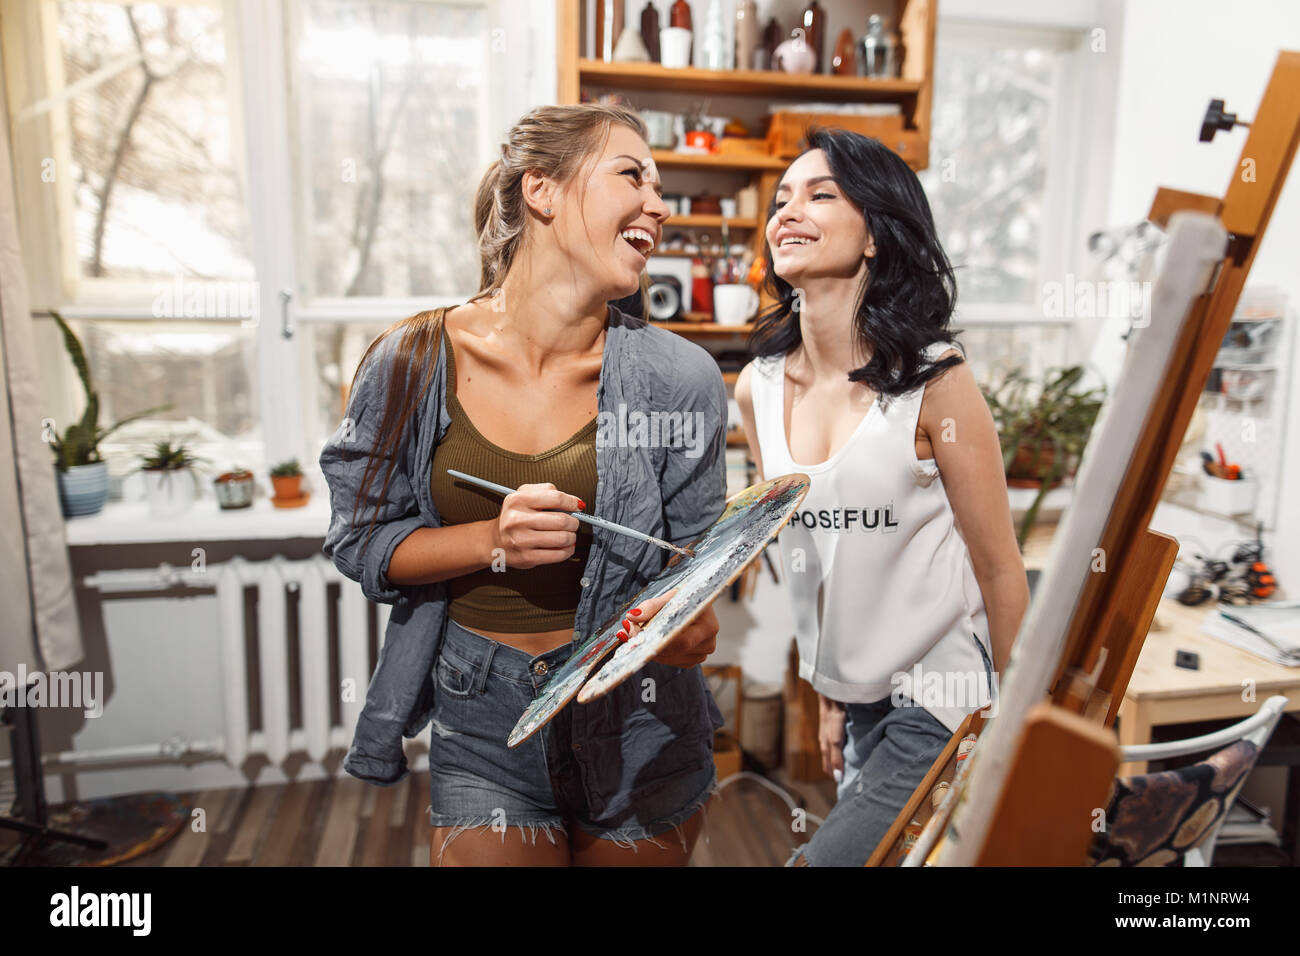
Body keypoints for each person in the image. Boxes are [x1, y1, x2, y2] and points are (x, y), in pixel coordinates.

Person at [318, 104, 729, 866]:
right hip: (484, 718)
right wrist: (490, 541)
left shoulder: (681, 378)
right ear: (541, 190)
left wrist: (694, 622)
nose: (661, 205)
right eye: (633, 175)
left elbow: (700, 560)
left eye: (663, 187)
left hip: (639, 723)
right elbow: (361, 540)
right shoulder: (412, 361)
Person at [734, 128, 1030, 866]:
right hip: (859, 699)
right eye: (781, 200)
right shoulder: (758, 389)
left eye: (820, 194)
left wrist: (1022, 721)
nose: (787, 213)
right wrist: (828, 689)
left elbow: (998, 566)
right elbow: (804, 562)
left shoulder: (936, 378)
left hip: (945, 691)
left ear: (875, 236)